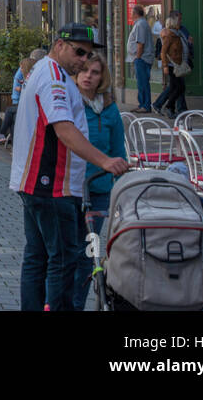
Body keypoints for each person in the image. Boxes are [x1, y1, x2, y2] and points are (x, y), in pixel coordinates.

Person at [10, 24, 129, 311]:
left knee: (37, 257)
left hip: (38, 183)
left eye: (88, 55)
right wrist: (104, 161)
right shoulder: (54, 78)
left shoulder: (50, 72)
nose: (83, 60)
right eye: (79, 52)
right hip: (51, 184)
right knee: (63, 259)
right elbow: (63, 128)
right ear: (60, 45)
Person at [72, 51, 125, 310]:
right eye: (84, 71)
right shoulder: (71, 103)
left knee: (88, 253)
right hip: (72, 188)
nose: (88, 77)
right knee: (68, 253)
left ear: (102, 76)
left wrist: (121, 186)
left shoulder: (110, 108)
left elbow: (118, 151)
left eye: (94, 72)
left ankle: (77, 305)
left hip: (101, 189)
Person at [0, 51, 42, 144]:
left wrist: (21, 89)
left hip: (31, 108)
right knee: (13, 118)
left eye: (21, 67)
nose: (20, 69)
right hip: (26, 105)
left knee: (10, 111)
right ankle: (13, 142)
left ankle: (2, 134)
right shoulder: (27, 77)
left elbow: (32, 92)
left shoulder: (34, 78)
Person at [153, 11, 190, 119]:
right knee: (178, 87)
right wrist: (165, 66)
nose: (180, 22)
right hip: (171, 65)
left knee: (176, 87)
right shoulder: (170, 35)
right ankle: (168, 107)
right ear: (174, 21)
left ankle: (169, 108)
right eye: (179, 20)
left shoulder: (177, 34)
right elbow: (163, 52)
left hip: (177, 64)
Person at [126, 4, 153, 113]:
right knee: (141, 83)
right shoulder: (140, 23)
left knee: (143, 83)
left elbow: (140, 43)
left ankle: (145, 106)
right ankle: (142, 104)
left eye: (132, 12)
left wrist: (137, 58)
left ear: (135, 13)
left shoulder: (141, 24)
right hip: (140, 58)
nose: (131, 14)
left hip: (142, 58)